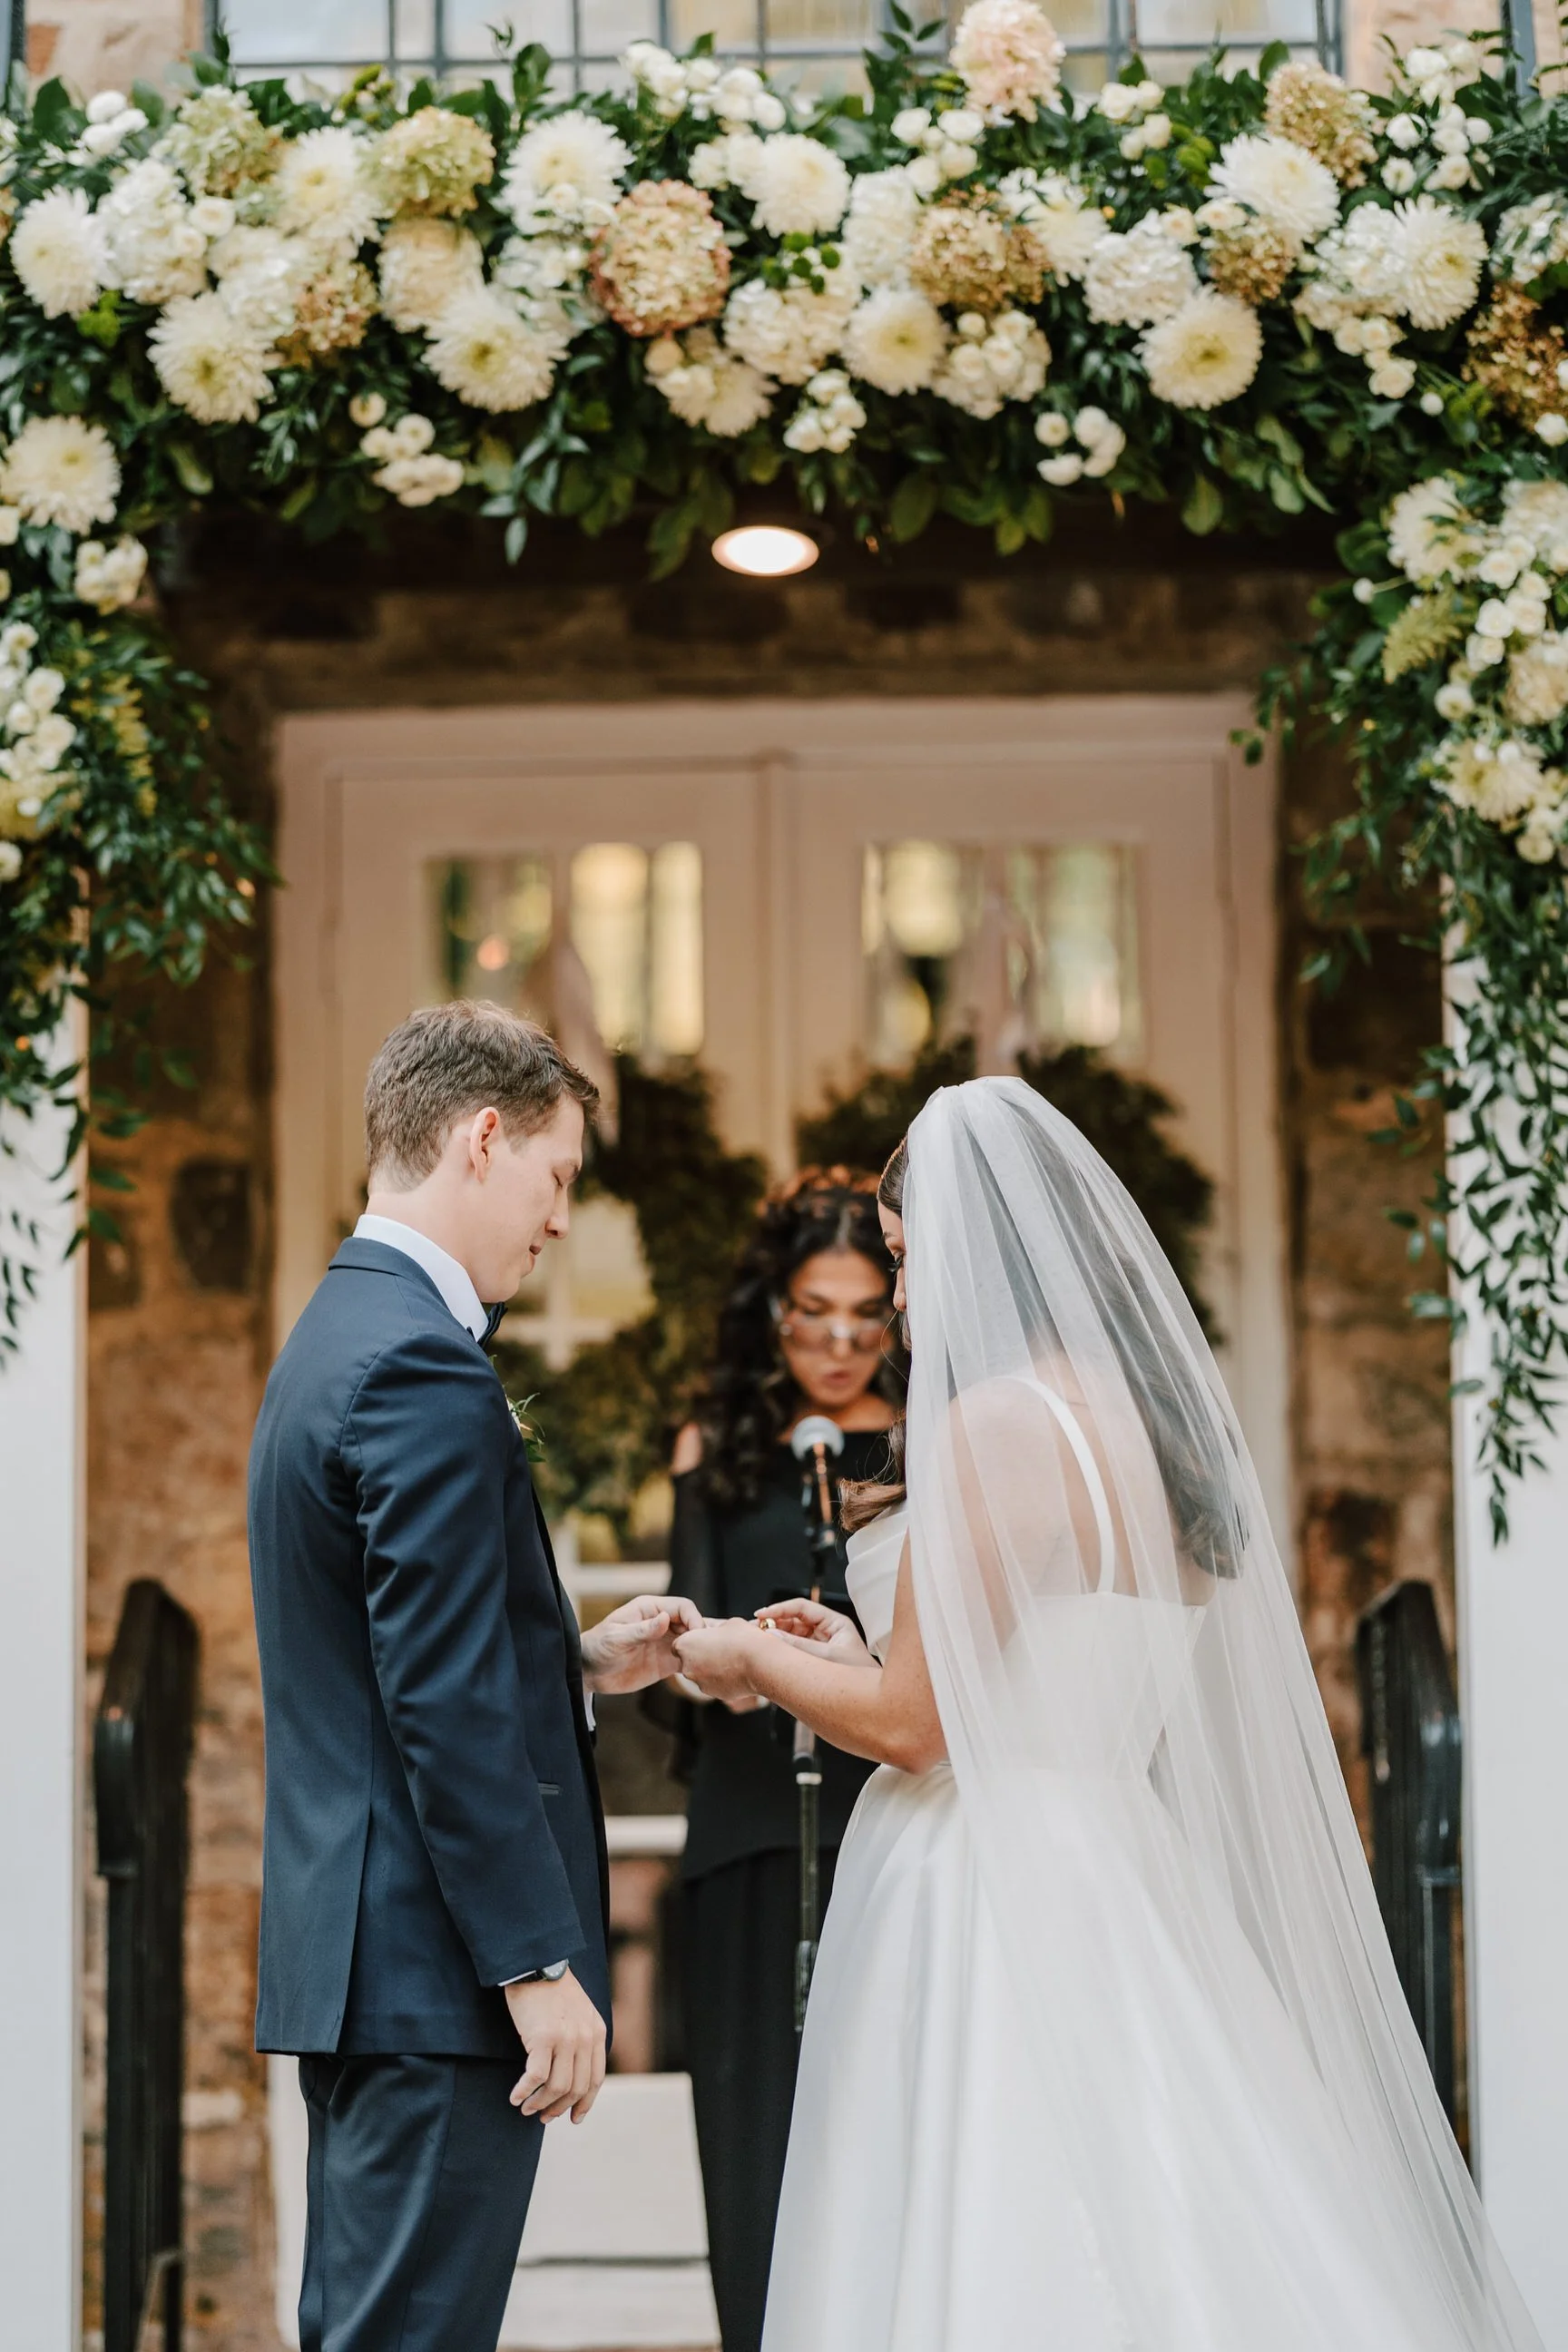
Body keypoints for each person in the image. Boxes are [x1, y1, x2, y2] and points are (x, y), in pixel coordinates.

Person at [675, 1078, 1542, 2352]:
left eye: (910, 1263)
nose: (904, 1299)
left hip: (978, 1876)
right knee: (1164, 2202)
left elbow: (922, 1729)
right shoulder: (1143, 1432)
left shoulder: (989, 1428)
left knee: (989, 2219)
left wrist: (742, 1649)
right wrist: (851, 1649)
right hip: (1115, 1859)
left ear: (981, 1256)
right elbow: (1030, 1662)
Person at [248, 1002, 701, 2352]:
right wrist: (533, 1962)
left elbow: (392, 1646)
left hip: (369, 1963)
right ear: (483, 1137)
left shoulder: (339, 1333)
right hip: (436, 1978)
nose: (560, 1221)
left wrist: (573, 1659)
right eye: (558, 1179)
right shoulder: (421, 1370)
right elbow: (435, 1705)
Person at [665, 1171, 902, 2352]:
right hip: (751, 1829)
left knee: (881, 2138)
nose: (844, 1342)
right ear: (775, 1307)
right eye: (817, 1312)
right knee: (753, 2150)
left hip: (888, 1826)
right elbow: (684, 1636)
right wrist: (710, 1662)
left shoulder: (926, 1443)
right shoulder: (716, 1442)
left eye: (870, 1314)